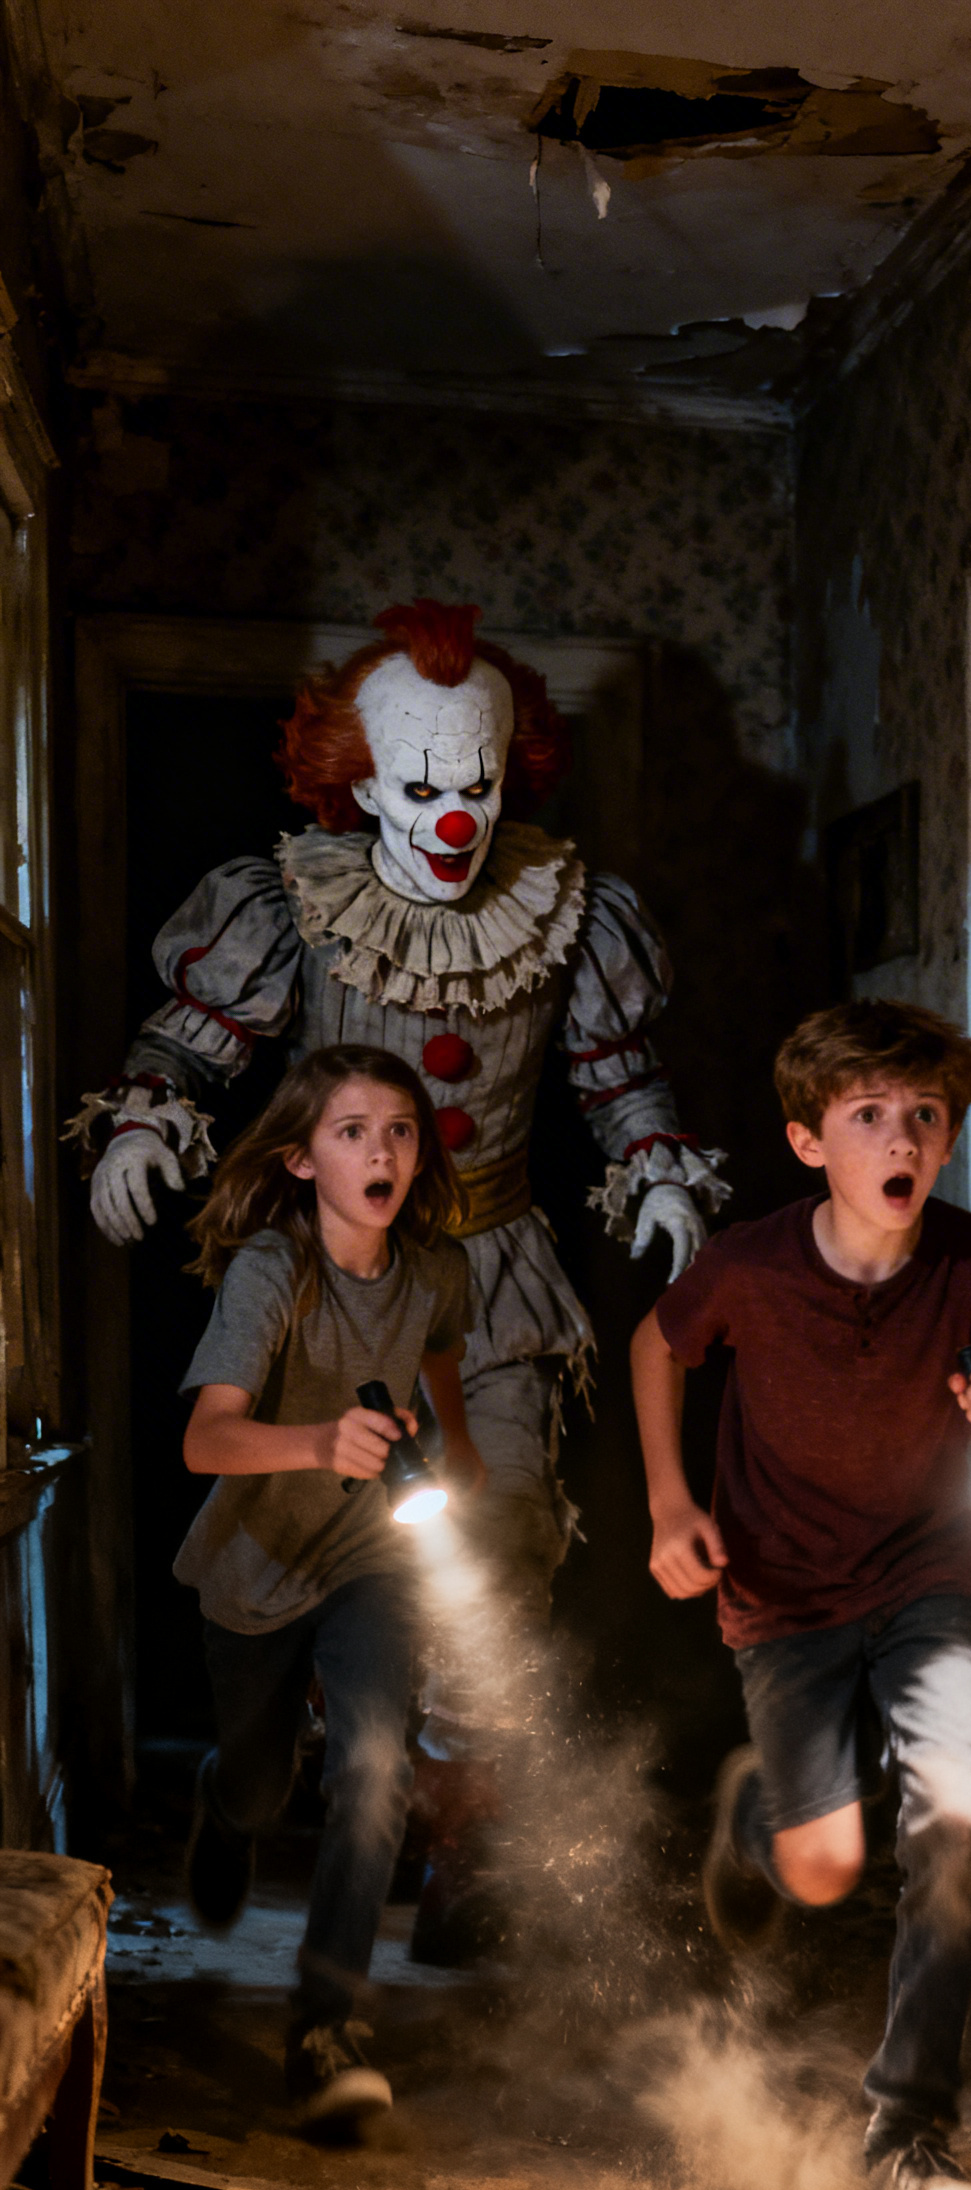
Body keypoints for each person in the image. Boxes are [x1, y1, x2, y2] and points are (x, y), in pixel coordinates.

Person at [67, 600, 726, 1965]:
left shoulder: (567, 910)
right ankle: (285, 1778)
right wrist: (141, 1122)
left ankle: (462, 1848)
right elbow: (191, 1039)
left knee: (501, 1544)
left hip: (495, 1277)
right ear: (362, 783)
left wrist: (657, 1170)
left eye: (473, 783)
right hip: (339, 1285)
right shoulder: (294, 903)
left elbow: (618, 1076)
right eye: (421, 789)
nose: (452, 816)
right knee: (331, 1550)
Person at [630, 1000, 971, 2190]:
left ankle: (906, 2137)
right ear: (809, 1142)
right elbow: (656, 1345)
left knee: (957, 1823)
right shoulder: (752, 1265)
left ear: (948, 1139)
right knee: (825, 1869)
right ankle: (757, 1821)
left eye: (925, 1117)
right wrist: (671, 1501)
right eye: (870, 1116)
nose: (903, 1139)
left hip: (924, 1581)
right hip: (780, 1592)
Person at [178, 1042, 484, 2129]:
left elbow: (438, 1375)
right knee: (264, 1787)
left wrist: (454, 1463)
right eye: (352, 1132)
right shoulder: (273, 1271)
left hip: (373, 1553)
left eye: (399, 1131)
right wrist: (320, 1441)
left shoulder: (437, 1271)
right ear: (304, 1159)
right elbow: (205, 1441)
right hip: (257, 1562)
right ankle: (225, 1803)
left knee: (373, 1767)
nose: (380, 1151)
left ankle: (325, 2028)